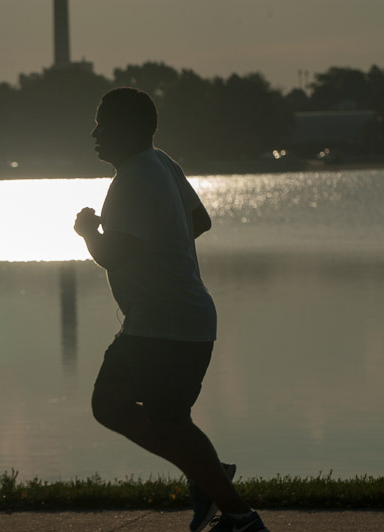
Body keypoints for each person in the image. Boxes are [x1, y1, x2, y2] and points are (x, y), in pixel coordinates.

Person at [74, 87, 269, 532]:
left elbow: (111, 255)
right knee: (122, 406)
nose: (94, 132)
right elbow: (198, 221)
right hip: (173, 319)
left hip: (165, 324)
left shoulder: (132, 180)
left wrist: (87, 230)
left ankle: (239, 514)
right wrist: (156, 248)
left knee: (146, 414)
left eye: (102, 122)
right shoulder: (160, 163)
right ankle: (210, 478)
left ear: (126, 127)